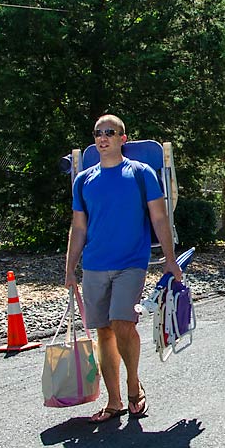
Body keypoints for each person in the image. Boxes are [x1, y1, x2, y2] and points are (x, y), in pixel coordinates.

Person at [66, 115, 183, 423]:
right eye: (98, 133)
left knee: (122, 324)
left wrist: (170, 259)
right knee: (103, 330)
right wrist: (69, 267)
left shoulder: (141, 173)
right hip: (94, 265)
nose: (103, 138)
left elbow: (159, 218)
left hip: (131, 262)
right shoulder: (84, 180)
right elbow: (78, 227)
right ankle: (114, 400)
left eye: (109, 133)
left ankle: (133, 384)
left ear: (123, 138)